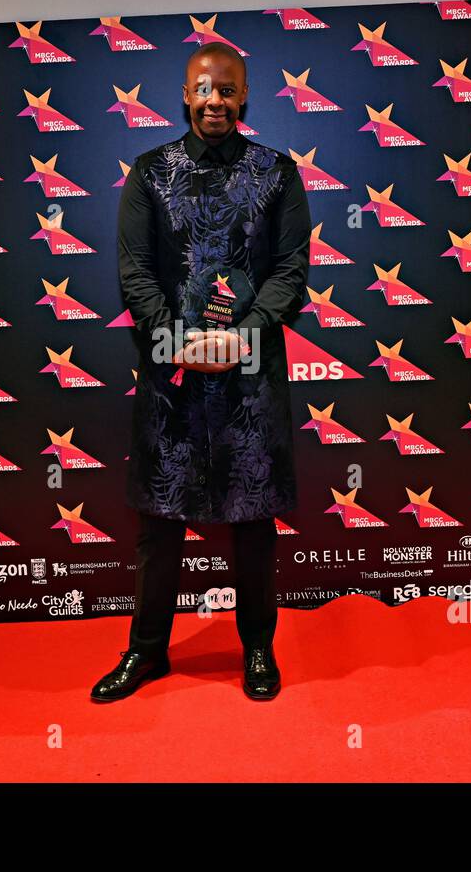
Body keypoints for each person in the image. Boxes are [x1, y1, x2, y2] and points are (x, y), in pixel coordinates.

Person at [92, 42, 312, 702]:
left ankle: (259, 650)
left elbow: (290, 272)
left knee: (253, 523)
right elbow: (135, 271)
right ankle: (146, 652)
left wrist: (240, 337)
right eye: (202, 89)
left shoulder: (277, 173)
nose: (214, 100)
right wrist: (175, 340)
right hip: (172, 375)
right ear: (185, 94)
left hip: (250, 377)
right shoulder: (150, 172)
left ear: (245, 97)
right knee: (159, 522)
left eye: (227, 89)